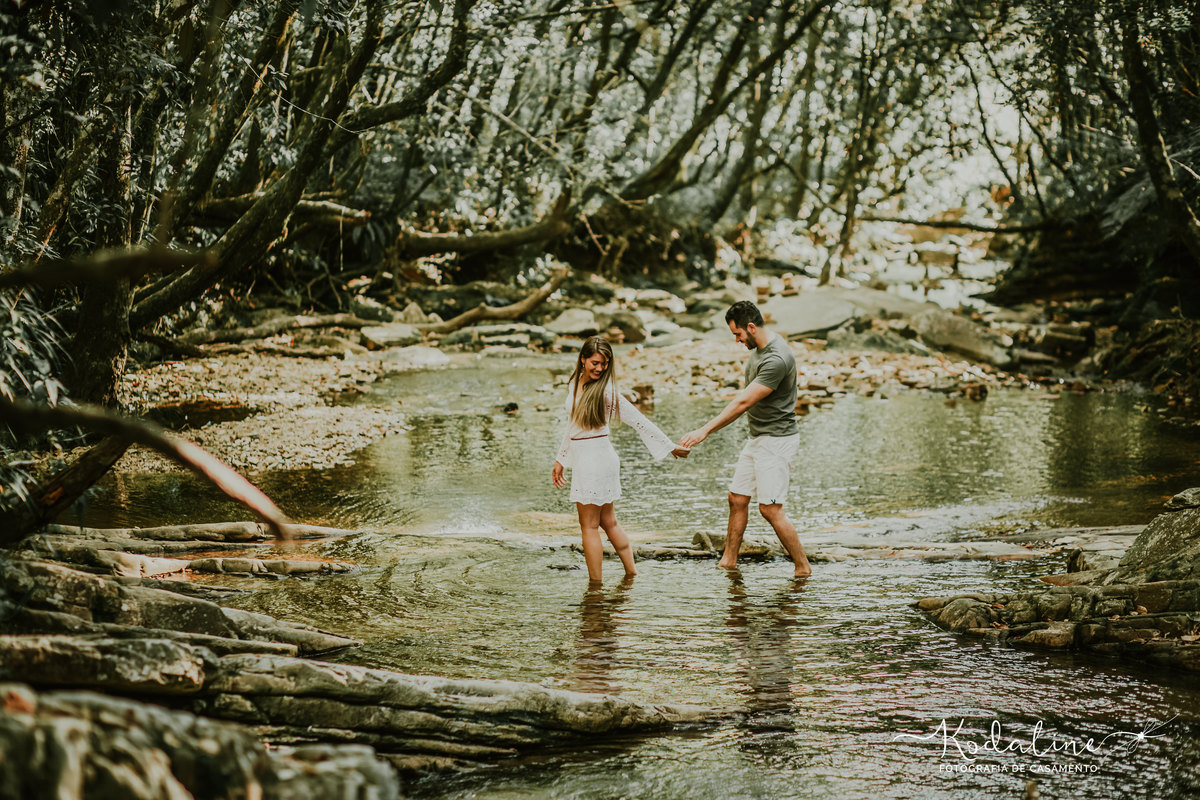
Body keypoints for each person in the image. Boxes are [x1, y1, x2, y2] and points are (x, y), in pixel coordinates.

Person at [680, 301, 813, 577]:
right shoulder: (759, 349)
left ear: (751, 327)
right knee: (737, 498)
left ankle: (803, 568)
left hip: (777, 440)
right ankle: (729, 561)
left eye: (738, 334)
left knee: (770, 509)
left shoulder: (777, 359)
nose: (738, 340)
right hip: (758, 437)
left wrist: (704, 430)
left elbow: (742, 403)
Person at [553, 336, 689, 581]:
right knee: (609, 522)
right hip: (596, 458)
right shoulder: (575, 383)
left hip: (594, 460)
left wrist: (669, 446)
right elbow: (572, 425)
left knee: (589, 527)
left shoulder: (605, 391)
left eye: (604, 364)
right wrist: (561, 458)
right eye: (595, 362)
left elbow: (638, 420)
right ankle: (632, 574)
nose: (599, 368)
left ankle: (595, 587)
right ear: (582, 359)